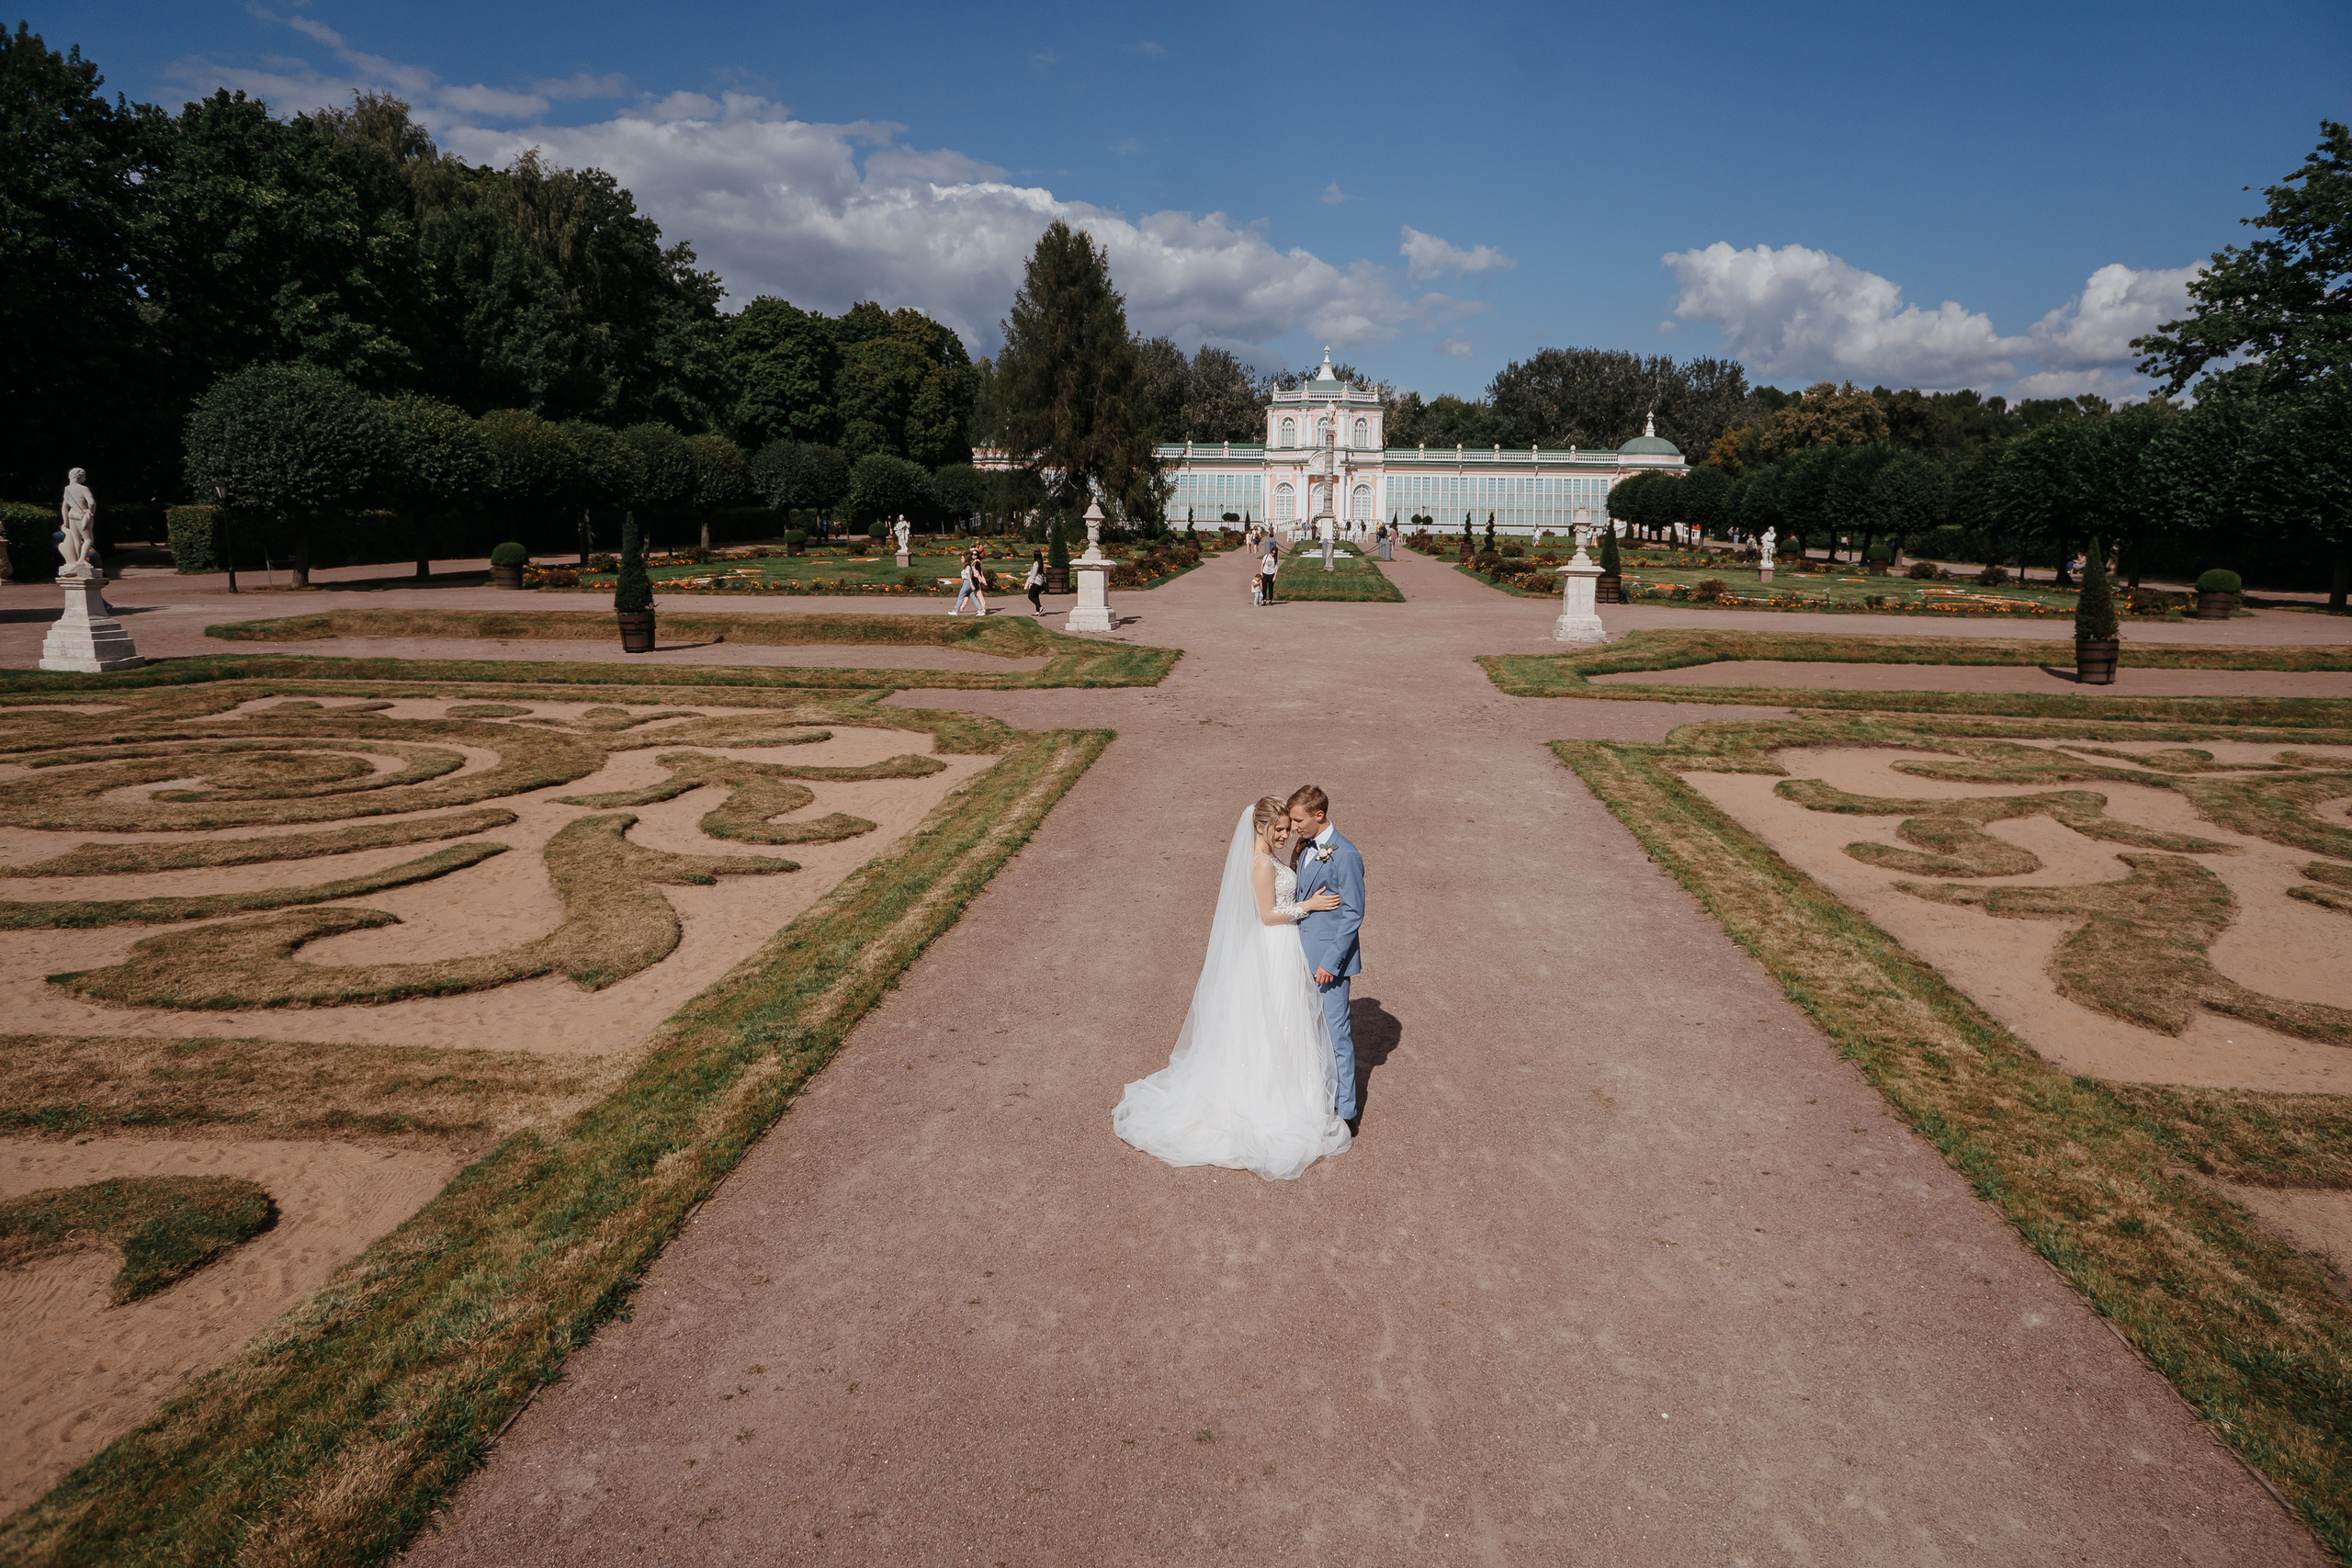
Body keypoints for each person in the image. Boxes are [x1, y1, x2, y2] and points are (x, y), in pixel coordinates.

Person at [1112, 796, 1351, 1180]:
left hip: (1283, 950)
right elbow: (1268, 915)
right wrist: (1311, 905)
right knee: (1271, 1020)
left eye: (1288, 828)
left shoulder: (1271, 859)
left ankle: (1297, 1092)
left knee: (1288, 1021)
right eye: (1279, 829)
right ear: (1259, 827)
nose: (1285, 835)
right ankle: (1270, 1097)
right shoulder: (1259, 864)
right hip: (1273, 947)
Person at [1285, 785, 1365, 1133]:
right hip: (1297, 953)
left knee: (1336, 1035)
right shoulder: (1304, 844)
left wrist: (1330, 963)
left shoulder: (1345, 854)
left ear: (1319, 815)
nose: (1292, 828)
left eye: (1298, 820)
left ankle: (1346, 1112)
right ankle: (1316, 1098)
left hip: (1327, 962)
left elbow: (1353, 914)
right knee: (1306, 1032)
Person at [1024, 548, 1046, 614]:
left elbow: (1034, 574)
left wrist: (1030, 583)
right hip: (1040, 582)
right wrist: (1029, 573)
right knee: (1036, 596)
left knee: (1030, 596)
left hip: (1036, 582)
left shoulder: (1036, 563)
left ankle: (1040, 607)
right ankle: (1037, 611)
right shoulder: (1040, 563)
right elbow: (1035, 572)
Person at [1260, 536, 1278, 605]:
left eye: (1274, 553)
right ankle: (1264, 600)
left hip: (1271, 573)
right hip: (1265, 573)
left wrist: (1274, 577)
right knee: (1264, 588)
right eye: (1272, 553)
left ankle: (1270, 600)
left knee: (1271, 588)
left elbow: (1276, 568)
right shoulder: (1266, 556)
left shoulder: (1276, 559)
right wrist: (1261, 572)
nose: (1273, 554)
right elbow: (1262, 564)